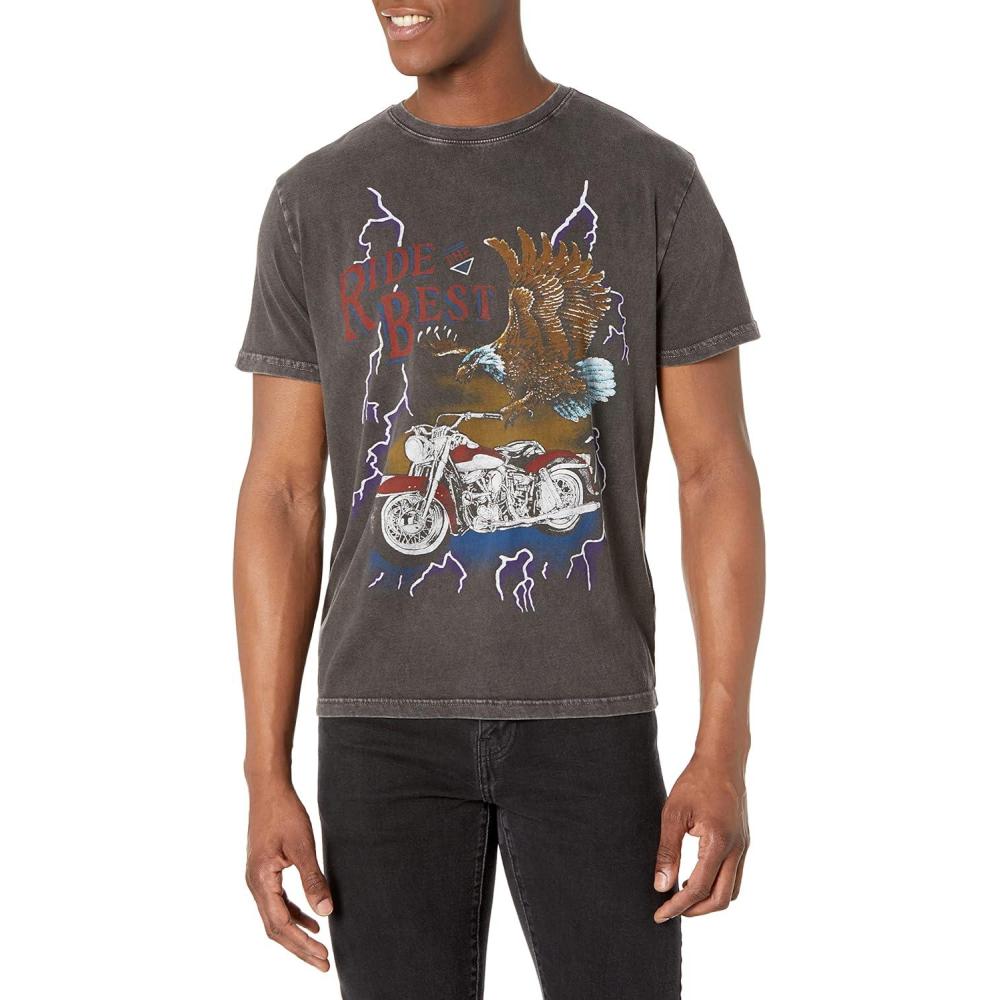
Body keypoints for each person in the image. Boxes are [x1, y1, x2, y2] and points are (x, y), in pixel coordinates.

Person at [234, 2, 764, 997]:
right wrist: (265, 771)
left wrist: (722, 746)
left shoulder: (649, 181)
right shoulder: (317, 200)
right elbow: (284, 492)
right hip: (378, 727)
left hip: (593, 713)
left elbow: (713, 471)